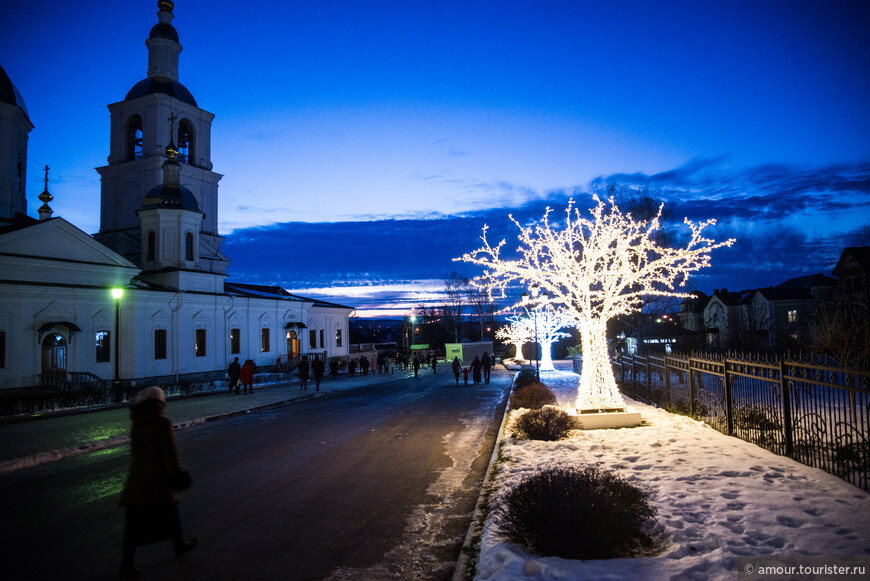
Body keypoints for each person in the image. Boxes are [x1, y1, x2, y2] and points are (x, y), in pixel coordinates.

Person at [119, 387, 196, 578]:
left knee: (133, 525)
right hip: (158, 481)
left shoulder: (137, 423)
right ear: (159, 404)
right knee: (171, 512)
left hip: (136, 481)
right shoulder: (162, 423)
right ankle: (179, 546)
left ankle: (127, 563)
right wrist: (177, 473)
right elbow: (170, 452)